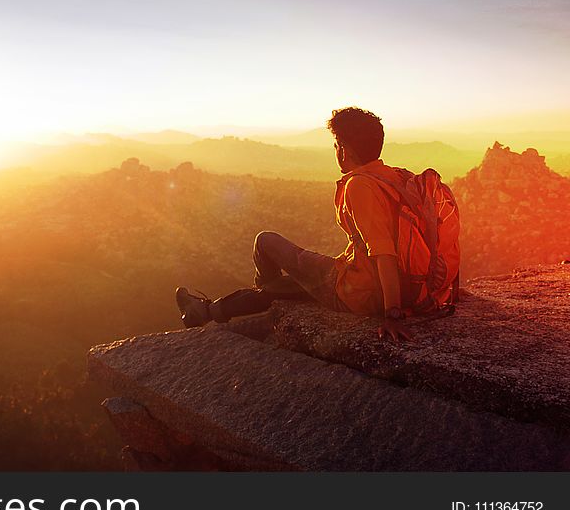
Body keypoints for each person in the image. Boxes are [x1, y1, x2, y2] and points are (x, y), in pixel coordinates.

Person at [175, 106, 416, 342]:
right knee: (298, 283)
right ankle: (206, 312)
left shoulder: (360, 185)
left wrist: (392, 314)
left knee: (265, 241)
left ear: (344, 150)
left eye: (336, 145)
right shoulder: (395, 177)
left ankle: (259, 297)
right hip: (394, 287)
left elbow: (385, 252)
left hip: (358, 292)